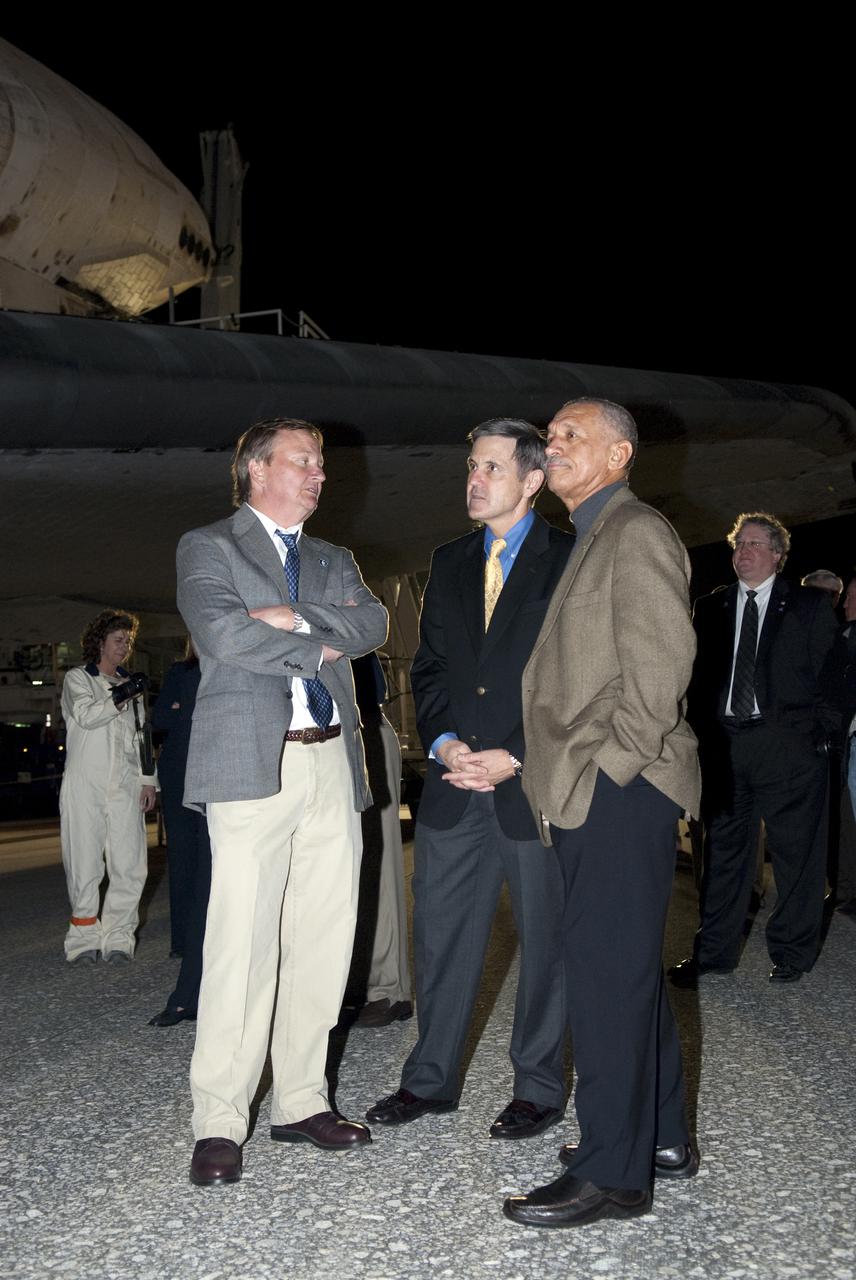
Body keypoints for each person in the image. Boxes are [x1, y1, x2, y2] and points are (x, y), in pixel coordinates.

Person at [503, 398, 700, 1231]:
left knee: (604, 983)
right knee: (625, 976)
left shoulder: (635, 532)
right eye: (550, 437)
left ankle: (612, 1175)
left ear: (618, 455)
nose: (553, 446)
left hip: (620, 789)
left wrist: (601, 772)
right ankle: (658, 1138)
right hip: (605, 789)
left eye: (570, 436)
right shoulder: (593, 533)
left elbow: (660, 673)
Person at [176, 416, 388, 1188]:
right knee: (242, 943)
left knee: (324, 937)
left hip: (332, 762)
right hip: (248, 766)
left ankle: (301, 1099)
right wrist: (318, 639)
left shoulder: (333, 557)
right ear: (256, 468)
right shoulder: (209, 547)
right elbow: (224, 637)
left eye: (321, 464)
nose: (319, 474)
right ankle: (220, 1120)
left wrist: (293, 618)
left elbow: (374, 623)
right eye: (304, 461)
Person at [367, 418, 573, 1139]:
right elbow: (429, 669)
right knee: (443, 938)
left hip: (534, 784)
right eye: (471, 467)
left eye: (490, 468)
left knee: (549, 943)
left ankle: (539, 1089)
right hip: (456, 789)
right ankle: (430, 1081)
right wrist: (447, 744)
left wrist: (516, 752)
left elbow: (578, 680)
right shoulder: (450, 559)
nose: (473, 481)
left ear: (532, 481)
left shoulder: (571, 558)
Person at [671, 513, 839, 987]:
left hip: (787, 747)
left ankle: (791, 953)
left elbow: (832, 674)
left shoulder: (807, 605)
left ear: (778, 556)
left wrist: (820, 733)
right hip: (725, 747)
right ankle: (713, 953)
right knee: (723, 853)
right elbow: (697, 677)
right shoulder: (712, 607)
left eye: (754, 544)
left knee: (795, 855)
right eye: (738, 543)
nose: (743, 551)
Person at [59, 610, 157, 963]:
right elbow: (87, 716)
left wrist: (148, 781)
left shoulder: (132, 685)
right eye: (119, 640)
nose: (125, 647)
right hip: (85, 784)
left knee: (130, 863)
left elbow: (141, 738)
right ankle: (83, 939)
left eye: (128, 642)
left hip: (126, 784)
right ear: (100, 642)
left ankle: (118, 936)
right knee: (84, 862)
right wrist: (122, 694)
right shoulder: (78, 679)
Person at [346, 652, 412, 1028]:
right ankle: (358, 983)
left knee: (378, 865)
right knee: (348, 869)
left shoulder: (336, 601)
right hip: (335, 734)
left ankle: (388, 989)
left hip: (365, 729)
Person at [148, 641, 210, 1026]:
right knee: (185, 866)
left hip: (214, 776)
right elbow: (160, 718)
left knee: (210, 874)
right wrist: (186, 710)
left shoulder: (229, 664)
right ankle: (185, 948)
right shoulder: (181, 671)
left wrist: (182, 710)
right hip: (178, 774)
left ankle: (196, 985)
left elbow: (178, 715)